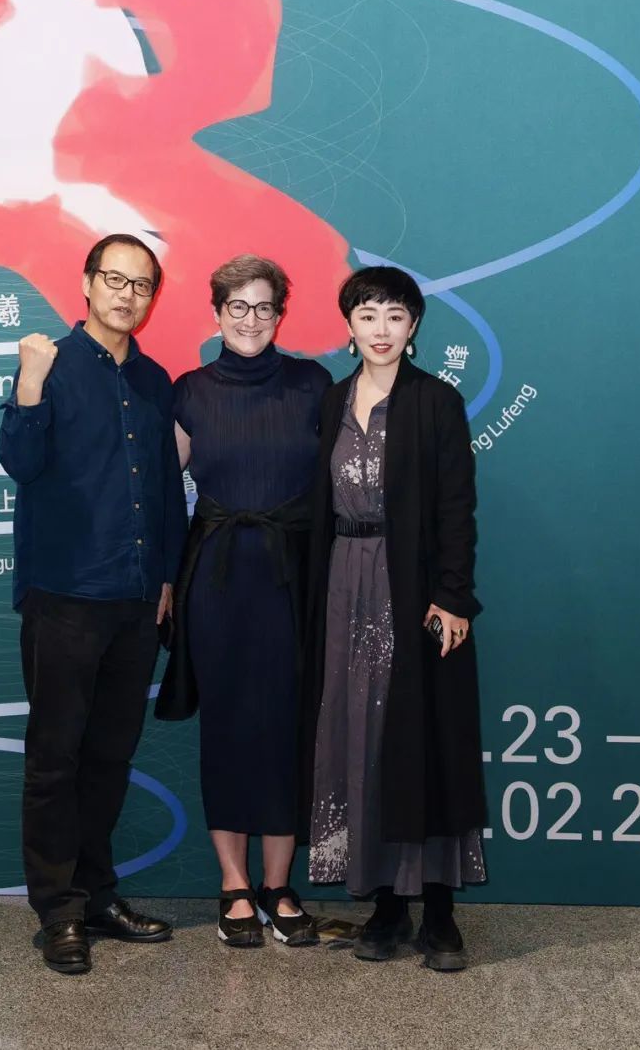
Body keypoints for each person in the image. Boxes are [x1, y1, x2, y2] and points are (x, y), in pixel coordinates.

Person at [0, 233, 188, 976]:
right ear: (86, 282)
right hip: (65, 596)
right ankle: (58, 911)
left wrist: (166, 576)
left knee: (109, 758)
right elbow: (20, 462)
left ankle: (98, 894)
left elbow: (166, 489)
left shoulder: (155, 380)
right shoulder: (50, 363)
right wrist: (29, 382)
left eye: (141, 285)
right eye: (115, 279)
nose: (126, 295)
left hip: (136, 600)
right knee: (56, 759)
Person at [303, 265, 487, 969]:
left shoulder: (436, 401)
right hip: (344, 584)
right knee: (360, 734)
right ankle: (385, 904)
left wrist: (453, 595)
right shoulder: (331, 401)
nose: (380, 329)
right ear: (349, 325)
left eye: (395, 316)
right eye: (368, 315)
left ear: (413, 328)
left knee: (423, 738)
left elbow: (457, 507)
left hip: (414, 590)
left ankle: (438, 911)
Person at [156, 256, 331, 947]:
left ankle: (278, 884)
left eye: (263, 307)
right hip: (216, 580)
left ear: (280, 315)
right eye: (238, 306)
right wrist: (162, 577)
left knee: (288, 724)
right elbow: (159, 494)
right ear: (217, 312)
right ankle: (233, 883)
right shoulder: (190, 391)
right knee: (226, 727)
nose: (250, 319)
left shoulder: (312, 384)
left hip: (294, 578)